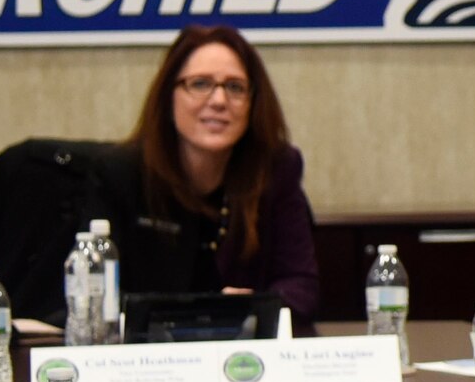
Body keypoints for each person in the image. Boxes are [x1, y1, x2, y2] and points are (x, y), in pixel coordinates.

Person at [110, 24, 321, 327]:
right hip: (151, 360)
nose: (219, 101)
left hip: (245, 355)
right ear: (169, 97)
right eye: (200, 84)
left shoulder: (275, 169)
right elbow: (101, 298)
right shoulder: (123, 172)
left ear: (252, 102)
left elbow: (302, 287)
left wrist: (252, 306)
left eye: (235, 87)